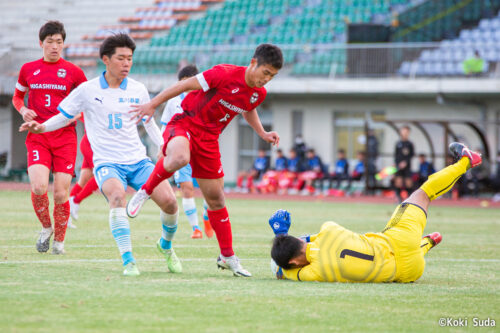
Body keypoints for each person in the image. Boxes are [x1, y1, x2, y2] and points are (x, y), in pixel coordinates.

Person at [20, 33, 180, 277]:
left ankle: (166, 246)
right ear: (106, 59)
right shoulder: (87, 90)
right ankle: (129, 261)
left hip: (138, 161)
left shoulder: (138, 89)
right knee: (117, 197)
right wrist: (42, 127)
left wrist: (164, 146)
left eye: (130, 59)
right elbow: (64, 115)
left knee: (170, 202)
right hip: (107, 163)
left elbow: (149, 124)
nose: (126, 63)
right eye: (121, 58)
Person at [127, 43, 283, 277]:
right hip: (186, 122)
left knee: (216, 199)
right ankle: (145, 190)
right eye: (266, 72)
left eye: (272, 76)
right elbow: (184, 84)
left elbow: (248, 108)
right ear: (253, 63)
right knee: (180, 157)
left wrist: (262, 133)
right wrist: (152, 104)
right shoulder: (224, 73)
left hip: (209, 139)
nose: (267, 79)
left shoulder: (258, 94)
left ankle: (228, 257)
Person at [269, 142, 482, 283]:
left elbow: (281, 272)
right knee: (423, 193)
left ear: (295, 262)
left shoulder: (314, 273)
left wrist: (282, 245)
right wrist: (282, 234)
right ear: (298, 241)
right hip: (397, 240)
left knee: (414, 253)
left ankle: (427, 243)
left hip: (408, 273)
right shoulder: (328, 229)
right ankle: (466, 160)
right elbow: (302, 244)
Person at [12, 21, 87, 254]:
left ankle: (59, 243)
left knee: (61, 192)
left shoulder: (74, 72)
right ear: (41, 44)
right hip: (37, 135)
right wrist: (23, 110)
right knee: (38, 186)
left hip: (65, 137)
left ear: (64, 44)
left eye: (59, 42)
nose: (55, 47)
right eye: (50, 42)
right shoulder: (28, 69)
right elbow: (17, 97)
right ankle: (46, 228)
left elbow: (86, 104)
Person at [160, 64, 213, 239]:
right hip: (181, 151)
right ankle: (195, 228)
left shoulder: (205, 98)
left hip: (202, 148)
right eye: (182, 82)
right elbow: (166, 125)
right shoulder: (173, 101)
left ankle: (207, 217)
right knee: (187, 188)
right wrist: (163, 146)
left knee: (210, 190)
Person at [68, 125, 99, 228]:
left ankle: (65, 217)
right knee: (100, 176)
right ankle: (76, 201)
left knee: (84, 180)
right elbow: (79, 113)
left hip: (98, 145)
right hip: (90, 144)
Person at [394, 125, 414, 202]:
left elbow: (411, 155)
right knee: (398, 182)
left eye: (406, 131)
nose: (404, 133)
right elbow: (396, 155)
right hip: (398, 166)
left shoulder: (410, 144)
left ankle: (410, 199)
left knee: (408, 182)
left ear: (408, 133)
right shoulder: (398, 143)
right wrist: (396, 163)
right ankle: (399, 199)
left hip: (407, 167)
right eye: (403, 131)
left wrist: (405, 162)